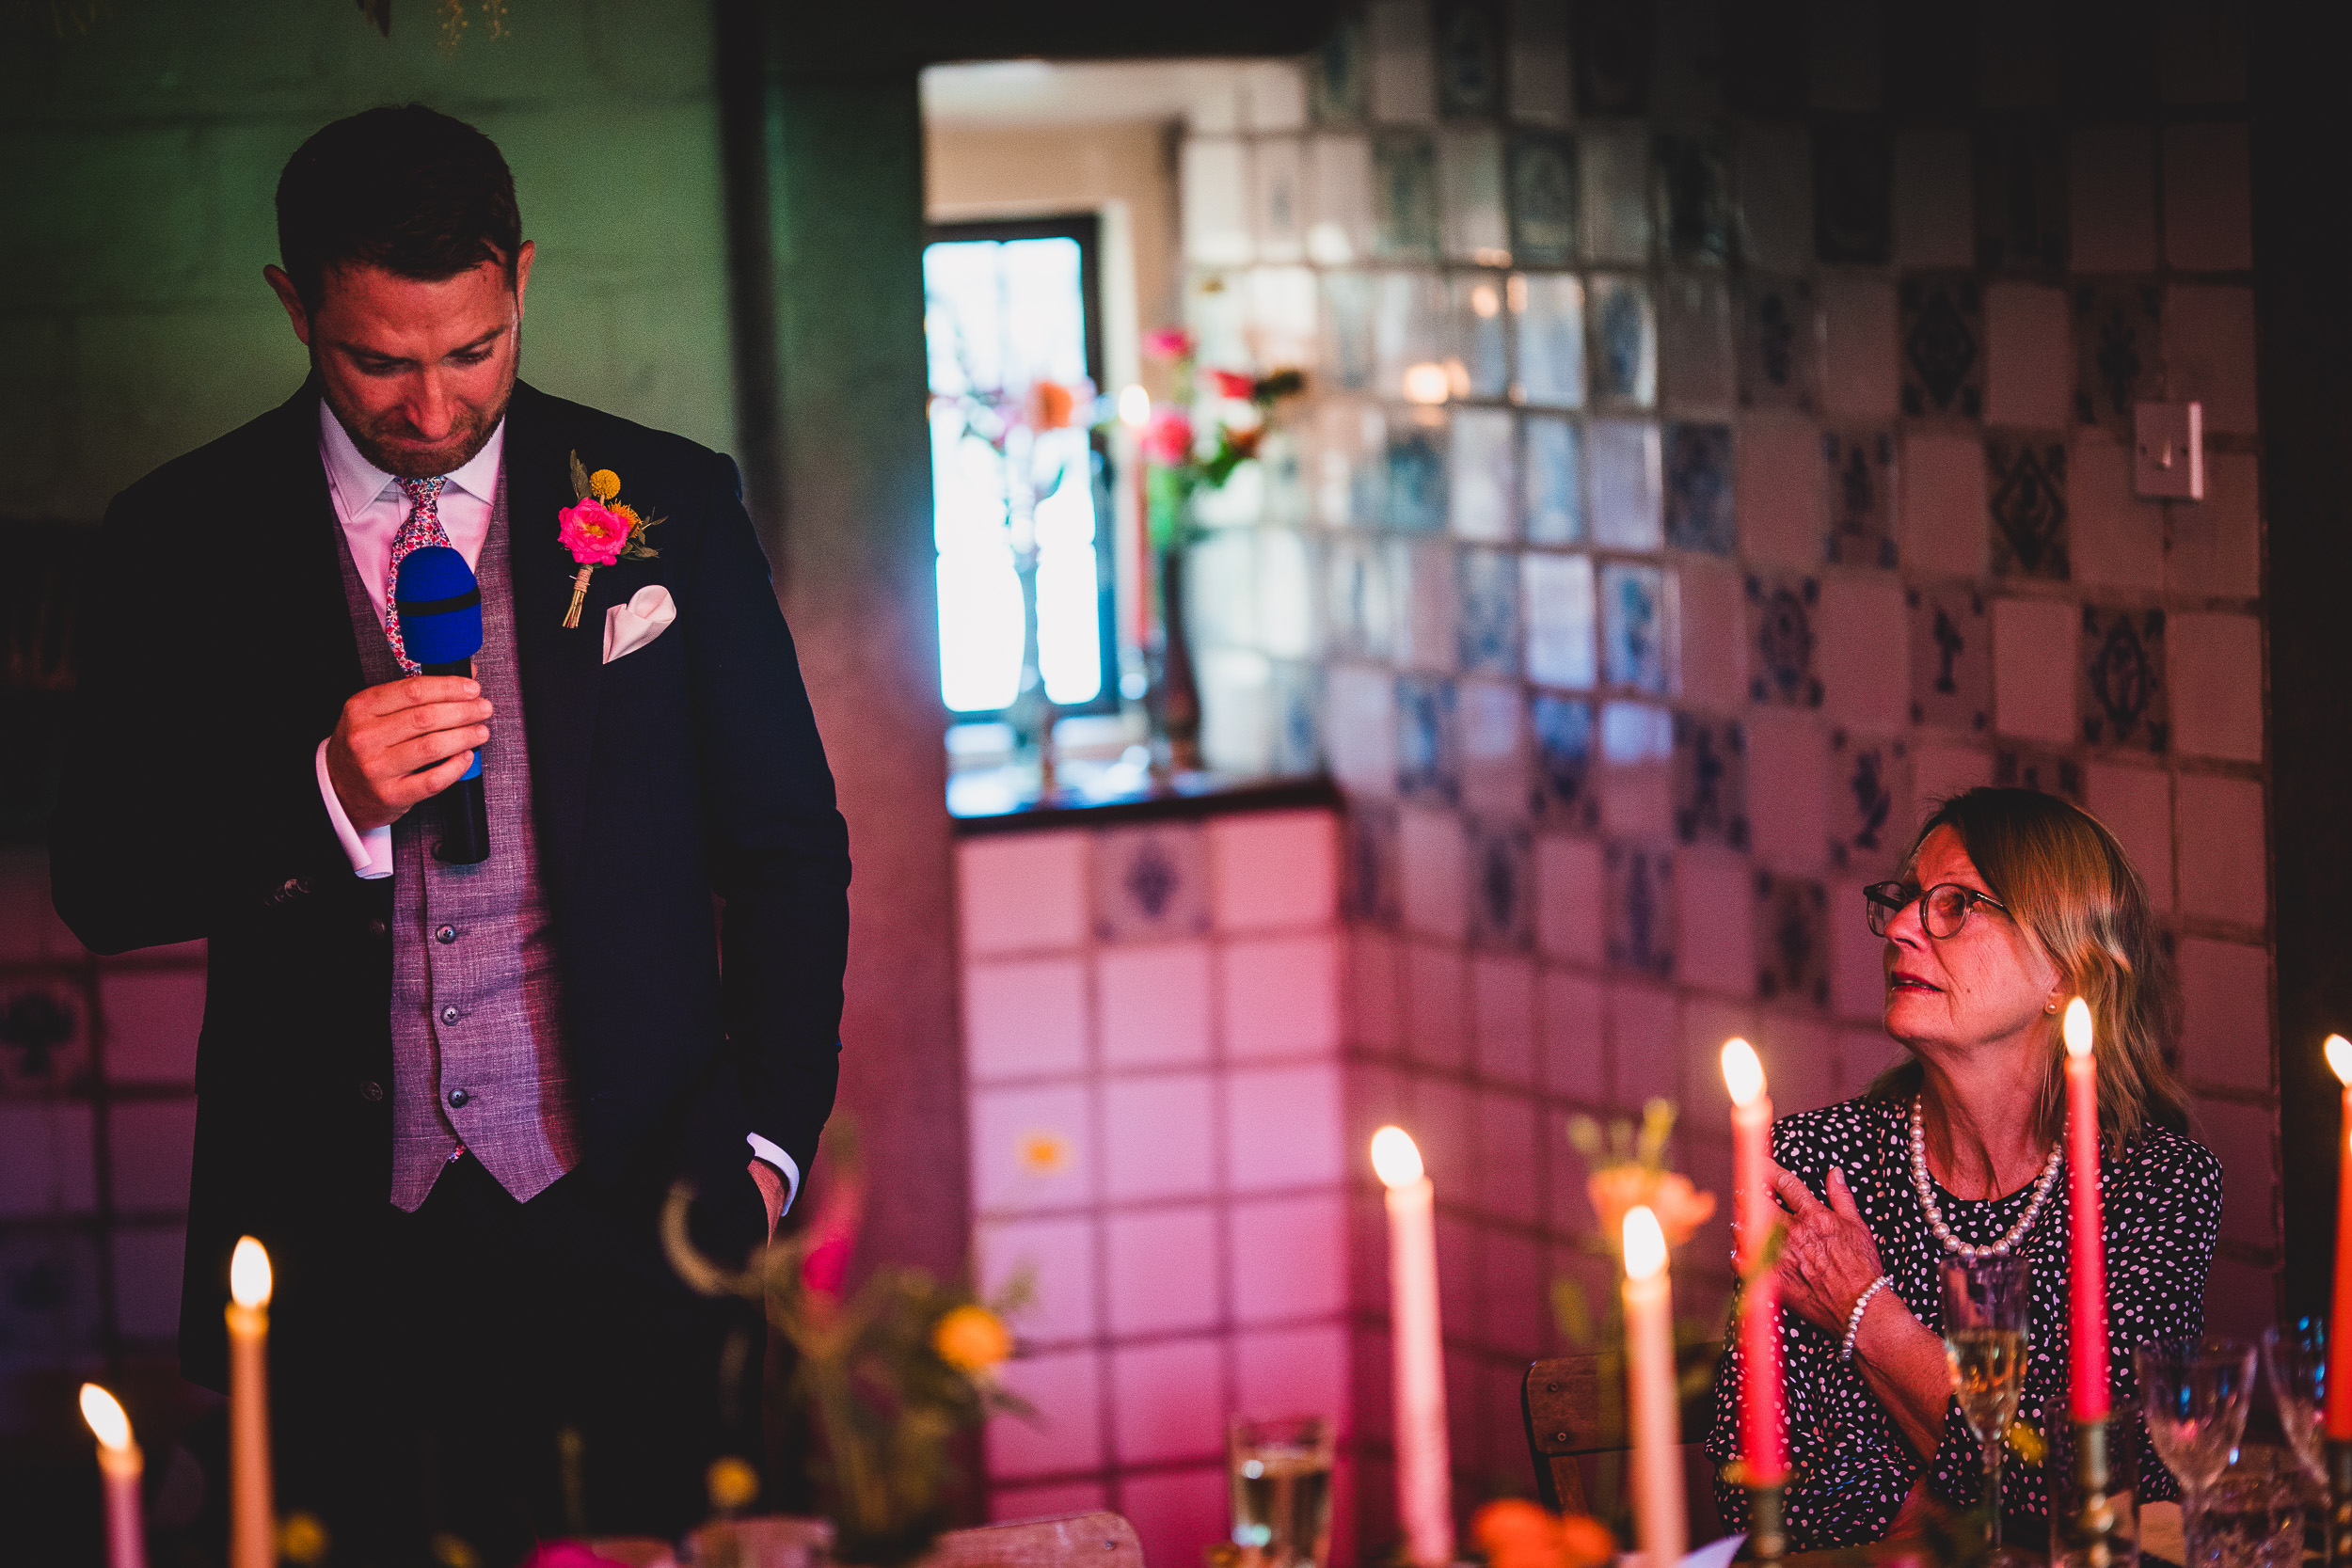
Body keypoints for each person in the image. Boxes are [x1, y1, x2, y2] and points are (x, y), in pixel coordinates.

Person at [48, 104, 851, 1556]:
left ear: (522, 281)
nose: (432, 405)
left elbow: (788, 843)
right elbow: (100, 879)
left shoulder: (666, 500)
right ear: (297, 306)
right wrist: (321, 800)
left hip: (644, 1210)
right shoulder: (178, 534)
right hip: (331, 1239)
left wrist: (770, 1147)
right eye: (377, 359)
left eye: (473, 350)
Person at [1706, 787, 2221, 1549]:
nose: (1904, 928)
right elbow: (1768, 1496)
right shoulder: (1817, 1163)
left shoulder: (2154, 1184)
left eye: (1956, 905)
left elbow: (2107, 1478)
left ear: (2063, 972)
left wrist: (1866, 1311)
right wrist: (1992, 1482)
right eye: (1908, 899)